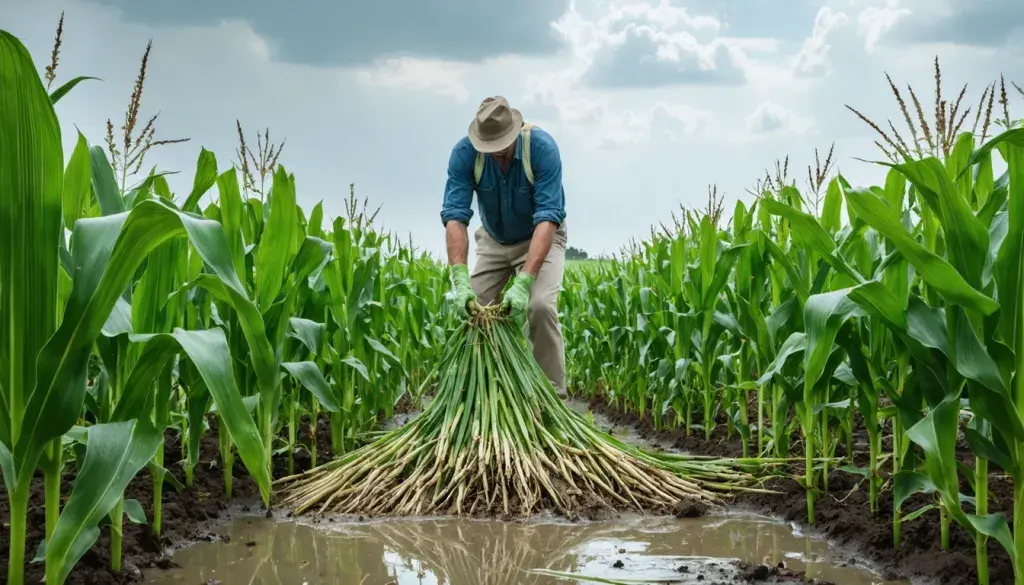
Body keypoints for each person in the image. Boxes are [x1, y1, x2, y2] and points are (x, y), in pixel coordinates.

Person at [440, 95, 568, 397]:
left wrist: (525, 280)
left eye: (500, 148)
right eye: (489, 149)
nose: (495, 155)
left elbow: (548, 217)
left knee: (540, 307)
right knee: (473, 312)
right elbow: (455, 217)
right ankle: (479, 397)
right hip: (494, 240)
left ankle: (552, 400)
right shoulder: (463, 154)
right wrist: (459, 279)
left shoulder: (542, 149)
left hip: (540, 237)